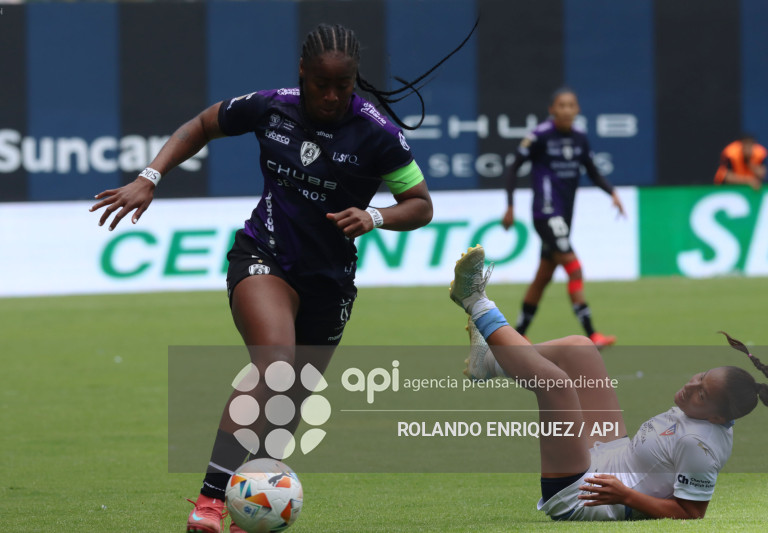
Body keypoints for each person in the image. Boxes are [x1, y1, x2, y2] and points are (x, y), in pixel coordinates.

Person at [91, 22, 474, 533]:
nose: (332, 96)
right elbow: (202, 124)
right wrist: (150, 176)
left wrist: (375, 216)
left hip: (330, 282)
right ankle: (209, 502)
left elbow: (421, 204)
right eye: (321, 84)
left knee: (291, 398)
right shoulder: (272, 107)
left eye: (343, 85)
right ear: (302, 72)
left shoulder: (378, 133)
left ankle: (248, 510)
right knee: (274, 364)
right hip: (263, 255)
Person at [450, 244, 768, 520]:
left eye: (702, 394)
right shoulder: (714, 409)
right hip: (611, 455)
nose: (691, 386)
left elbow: (691, 512)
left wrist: (625, 496)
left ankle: (474, 299)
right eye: (700, 378)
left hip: (584, 493)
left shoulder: (701, 447)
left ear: (717, 418)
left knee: (556, 385)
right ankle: (488, 363)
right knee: (579, 348)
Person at [501, 88, 625, 347]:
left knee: (544, 276)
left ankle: (517, 334)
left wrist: (612, 193)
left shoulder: (580, 138)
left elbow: (592, 172)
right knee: (574, 268)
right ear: (552, 110)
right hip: (546, 213)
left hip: (565, 216)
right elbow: (513, 167)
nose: (567, 110)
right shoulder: (540, 136)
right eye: (562, 105)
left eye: (571, 105)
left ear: (577, 109)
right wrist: (510, 207)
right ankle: (593, 335)